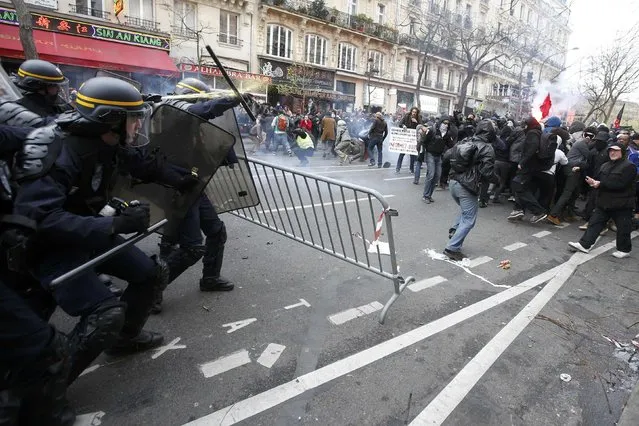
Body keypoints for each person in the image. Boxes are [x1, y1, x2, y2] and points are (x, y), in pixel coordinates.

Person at [10, 77, 182, 385]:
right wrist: (114, 224)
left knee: (151, 273)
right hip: (48, 248)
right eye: (133, 119)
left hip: (88, 231)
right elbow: (40, 220)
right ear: (110, 120)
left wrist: (184, 178)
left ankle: (125, 339)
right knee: (105, 314)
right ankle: (48, 390)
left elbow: (141, 166)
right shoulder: (54, 149)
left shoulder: (109, 143)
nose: (136, 126)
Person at [154, 77, 244, 313]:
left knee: (216, 231)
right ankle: (149, 291)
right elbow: (205, 109)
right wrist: (230, 100)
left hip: (191, 185)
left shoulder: (188, 118)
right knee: (187, 246)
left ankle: (210, 278)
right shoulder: (174, 110)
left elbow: (201, 143)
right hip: (176, 187)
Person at [568, 142, 637, 258]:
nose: (612, 152)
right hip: (604, 202)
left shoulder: (629, 166)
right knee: (594, 223)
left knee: (623, 227)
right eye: (610, 150)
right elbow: (600, 179)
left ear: (622, 152)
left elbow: (621, 184)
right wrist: (593, 182)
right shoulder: (605, 165)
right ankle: (584, 245)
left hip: (622, 203)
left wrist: (600, 184)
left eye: (616, 150)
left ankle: (624, 250)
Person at [442, 119, 496, 261]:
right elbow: (487, 172)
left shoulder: (465, 140)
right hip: (467, 186)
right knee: (469, 219)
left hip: (453, 182)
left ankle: (454, 229)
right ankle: (452, 248)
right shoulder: (487, 148)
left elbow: (446, 156)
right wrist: (498, 181)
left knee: (466, 210)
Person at [507, 116, 555, 223]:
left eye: (525, 124)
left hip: (528, 166)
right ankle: (518, 209)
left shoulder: (532, 133)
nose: (524, 127)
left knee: (517, 185)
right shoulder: (537, 132)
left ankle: (538, 212)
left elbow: (532, 147)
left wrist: (522, 162)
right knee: (524, 188)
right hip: (534, 166)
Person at [420, 119, 447, 203]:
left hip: (439, 156)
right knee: (431, 174)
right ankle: (425, 196)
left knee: (437, 175)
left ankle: (429, 195)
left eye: (447, 123)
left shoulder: (446, 133)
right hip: (430, 154)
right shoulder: (432, 130)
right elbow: (424, 140)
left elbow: (449, 143)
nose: (446, 125)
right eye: (444, 123)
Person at [395, 107, 422, 173]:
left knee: (412, 155)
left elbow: (421, 127)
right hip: (405, 138)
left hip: (413, 138)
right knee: (402, 153)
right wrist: (403, 126)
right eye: (413, 112)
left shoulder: (418, 118)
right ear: (411, 111)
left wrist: (416, 123)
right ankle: (398, 168)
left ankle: (411, 169)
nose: (414, 113)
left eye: (415, 112)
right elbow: (400, 124)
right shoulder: (406, 116)